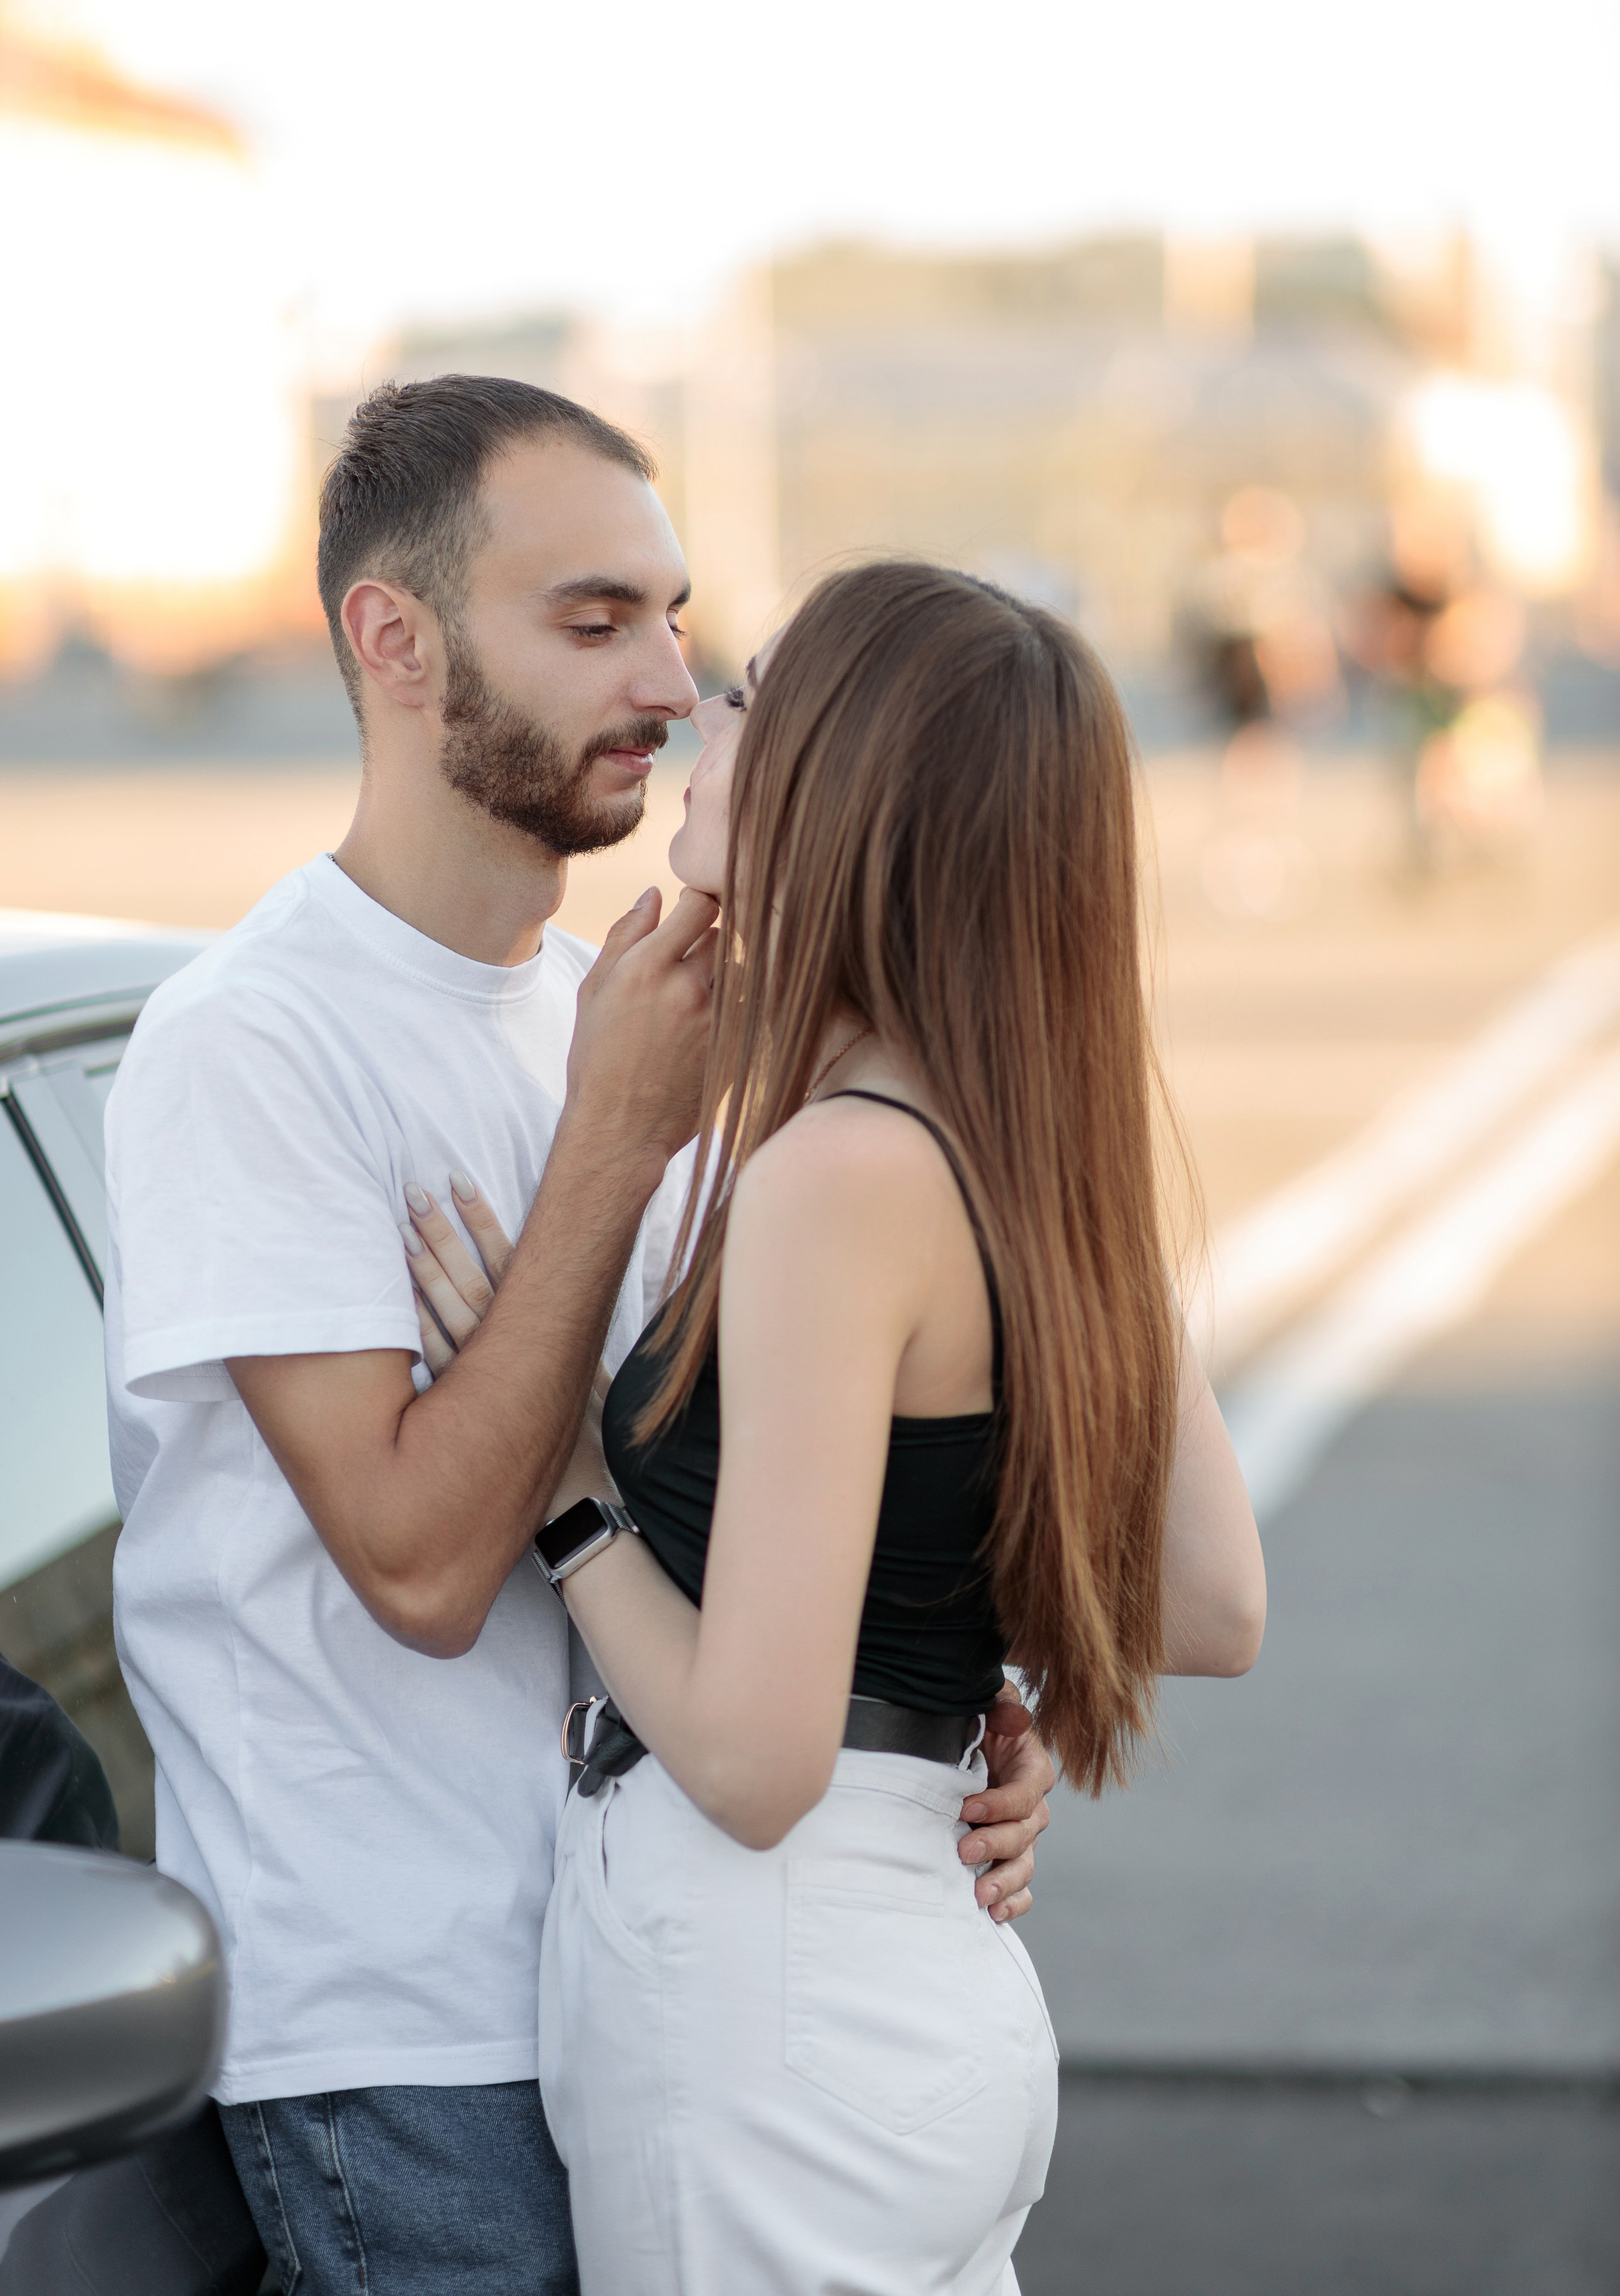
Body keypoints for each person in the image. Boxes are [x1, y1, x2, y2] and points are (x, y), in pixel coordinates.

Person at [102, 382, 1056, 2296]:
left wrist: (937, 1709)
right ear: (397, 642)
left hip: (665, 1964)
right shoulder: (251, 1046)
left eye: (679, 619)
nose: (675, 685)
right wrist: (619, 1145)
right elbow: (428, 1562)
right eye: (595, 620)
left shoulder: (603, 1001)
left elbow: (731, 1477)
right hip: (412, 2043)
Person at [403, 561, 1267, 2293]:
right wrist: (937, 1666)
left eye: (742, 699)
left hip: (771, 1991)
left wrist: (567, 1489)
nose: (692, 726)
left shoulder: (838, 1175)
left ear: (845, 785)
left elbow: (749, 1761)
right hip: (916, 1985)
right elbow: (1207, 1604)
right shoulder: (1025, 1138)